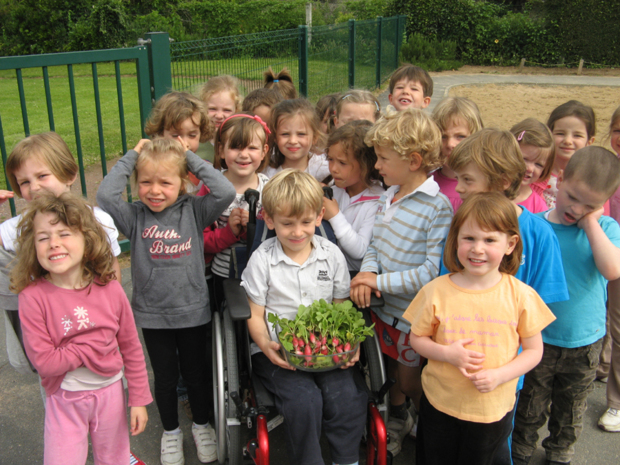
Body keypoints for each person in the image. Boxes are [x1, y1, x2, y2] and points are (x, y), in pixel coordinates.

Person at [96, 137, 236, 465]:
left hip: (192, 311)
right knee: (166, 377)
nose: (154, 190)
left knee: (196, 374)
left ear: (184, 181)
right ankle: (171, 431)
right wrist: (133, 155)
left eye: (165, 182)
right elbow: (104, 195)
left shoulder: (194, 210)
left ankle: (202, 425)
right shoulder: (133, 216)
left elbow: (225, 191)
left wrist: (186, 155)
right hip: (152, 315)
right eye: (145, 182)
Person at [445, 128, 570, 465]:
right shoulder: (461, 227)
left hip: (504, 374)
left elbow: (541, 307)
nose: (459, 188)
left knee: (492, 447)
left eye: (468, 179)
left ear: (501, 180)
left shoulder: (539, 234)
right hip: (453, 366)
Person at [404, 192, 555, 465]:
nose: (477, 249)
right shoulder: (436, 291)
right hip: (440, 404)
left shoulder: (522, 295)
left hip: (492, 410)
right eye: (469, 238)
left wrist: (500, 375)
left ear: (510, 244)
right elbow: (417, 338)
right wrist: (447, 354)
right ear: (456, 239)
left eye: (489, 240)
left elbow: (534, 351)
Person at [11, 193, 153, 465]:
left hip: (111, 393)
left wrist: (138, 399)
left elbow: (132, 348)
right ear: (33, 246)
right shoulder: (32, 297)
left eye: (64, 234)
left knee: (114, 460)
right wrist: (91, 347)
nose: (53, 244)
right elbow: (45, 363)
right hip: (65, 400)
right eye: (43, 237)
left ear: (87, 240)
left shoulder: (109, 289)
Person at [241, 169, 366, 465]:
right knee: (303, 400)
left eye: (306, 222)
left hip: (324, 349)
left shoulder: (332, 255)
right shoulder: (262, 260)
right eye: (287, 224)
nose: (298, 232)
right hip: (277, 351)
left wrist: (352, 343)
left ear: (319, 217)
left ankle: (346, 460)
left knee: (346, 397)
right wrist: (265, 344)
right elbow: (254, 315)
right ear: (269, 220)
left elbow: (340, 311)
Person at [350, 109, 453, 456]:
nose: (376, 165)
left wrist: (378, 281)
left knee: (410, 381)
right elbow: (375, 247)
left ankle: (433, 418)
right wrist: (367, 274)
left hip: (413, 318)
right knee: (390, 374)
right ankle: (397, 421)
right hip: (385, 311)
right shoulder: (387, 196)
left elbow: (429, 272)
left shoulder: (437, 208)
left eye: (382, 158)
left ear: (413, 160)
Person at [512, 147, 620, 465]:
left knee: (571, 406)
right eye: (572, 197)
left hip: (584, 341)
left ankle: (560, 449)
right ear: (559, 181)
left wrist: (591, 225)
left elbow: (612, 270)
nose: (577, 209)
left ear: (604, 203)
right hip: (539, 339)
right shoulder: (535, 225)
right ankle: (521, 449)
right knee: (531, 402)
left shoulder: (607, 229)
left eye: (591, 205)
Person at [0, 132, 123, 377]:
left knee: (107, 384)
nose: (34, 187)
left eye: (42, 176)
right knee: (58, 393)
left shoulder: (98, 219)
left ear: (70, 174)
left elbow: (111, 268)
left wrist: (116, 313)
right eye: (24, 182)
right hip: (53, 332)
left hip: (96, 322)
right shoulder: (18, 227)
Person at [204, 113, 271, 307]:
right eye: (235, 147)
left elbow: (279, 232)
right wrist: (229, 232)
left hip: (265, 273)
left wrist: (257, 225)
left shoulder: (270, 189)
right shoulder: (211, 188)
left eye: (252, 147)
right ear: (221, 150)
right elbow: (201, 239)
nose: (244, 154)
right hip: (225, 274)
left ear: (264, 151)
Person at [323, 120, 384, 271]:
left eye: (343, 163)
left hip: (355, 277)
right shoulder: (335, 190)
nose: (334, 168)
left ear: (366, 165)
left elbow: (361, 251)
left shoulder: (378, 201)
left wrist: (334, 215)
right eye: (330, 159)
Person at [599, 106, 620, 432]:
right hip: (600, 250)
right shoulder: (604, 168)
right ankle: (600, 364)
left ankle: (615, 402)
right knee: (599, 313)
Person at [533, 100, 595, 209]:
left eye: (577, 135)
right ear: (548, 135)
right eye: (560, 133)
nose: (567, 141)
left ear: (589, 142)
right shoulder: (536, 171)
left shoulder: (592, 177)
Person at [431, 97, 484, 212]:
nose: (450, 144)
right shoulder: (423, 182)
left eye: (460, 136)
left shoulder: (484, 187)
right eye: (443, 137)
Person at [264, 98, 330, 182]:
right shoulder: (267, 174)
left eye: (301, 134)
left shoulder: (324, 171)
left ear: (315, 137)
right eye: (285, 134)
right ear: (275, 137)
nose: (293, 141)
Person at [510, 118, 555, 214]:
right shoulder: (487, 188)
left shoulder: (539, 206)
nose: (530, 168)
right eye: (524, 159)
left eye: (538, 164)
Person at [198, 75, 242, 159]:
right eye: (212, 109)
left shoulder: (240, 140)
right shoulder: (196, 142)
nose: (219, 116)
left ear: (236, 111)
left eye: (226, 110)